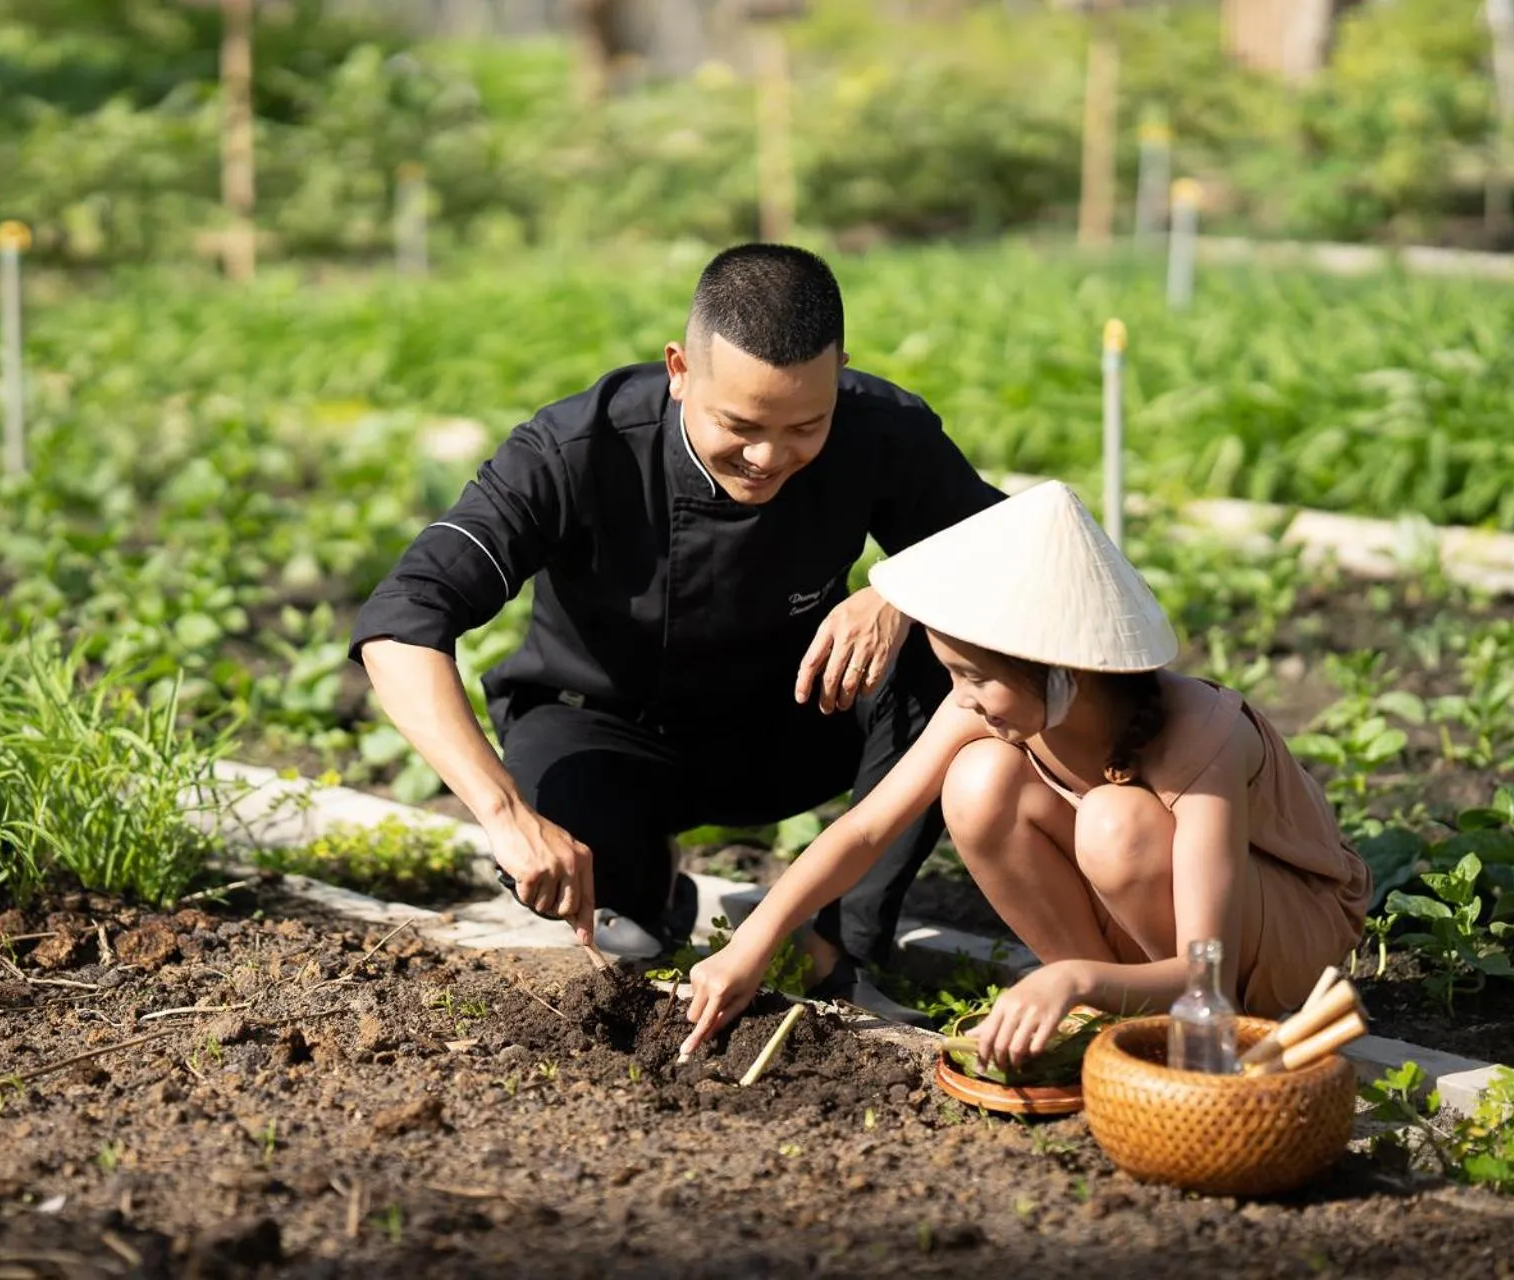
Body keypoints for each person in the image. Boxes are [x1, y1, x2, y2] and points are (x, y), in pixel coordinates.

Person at [347, 243, 1008, 1025]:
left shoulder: (880, 429)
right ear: (679, 369)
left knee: (952, 666)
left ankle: (841, 945)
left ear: (840, 374)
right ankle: (648, 889)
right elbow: (401, 623)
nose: (769, 456)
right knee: (602, 902)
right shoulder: (573, 451)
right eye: (740, 424)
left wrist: (904, 590)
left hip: (791, 719)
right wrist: (504, 817)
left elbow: (1018, 548)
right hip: (602, 731)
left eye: (806, 424)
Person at [680, 480, 1372, 1065]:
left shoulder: (1202, 737)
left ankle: (1166, 1025)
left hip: (1276, 950)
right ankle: (1112, 1011)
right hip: (1170, 945)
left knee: (1114, 820)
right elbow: (865, 832)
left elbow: (1207, 967)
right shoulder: (989, 706)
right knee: (978, 783)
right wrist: (752, 945)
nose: (963, 696)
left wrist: (1072, 978)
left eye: (975, 676)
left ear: (1065, 671)